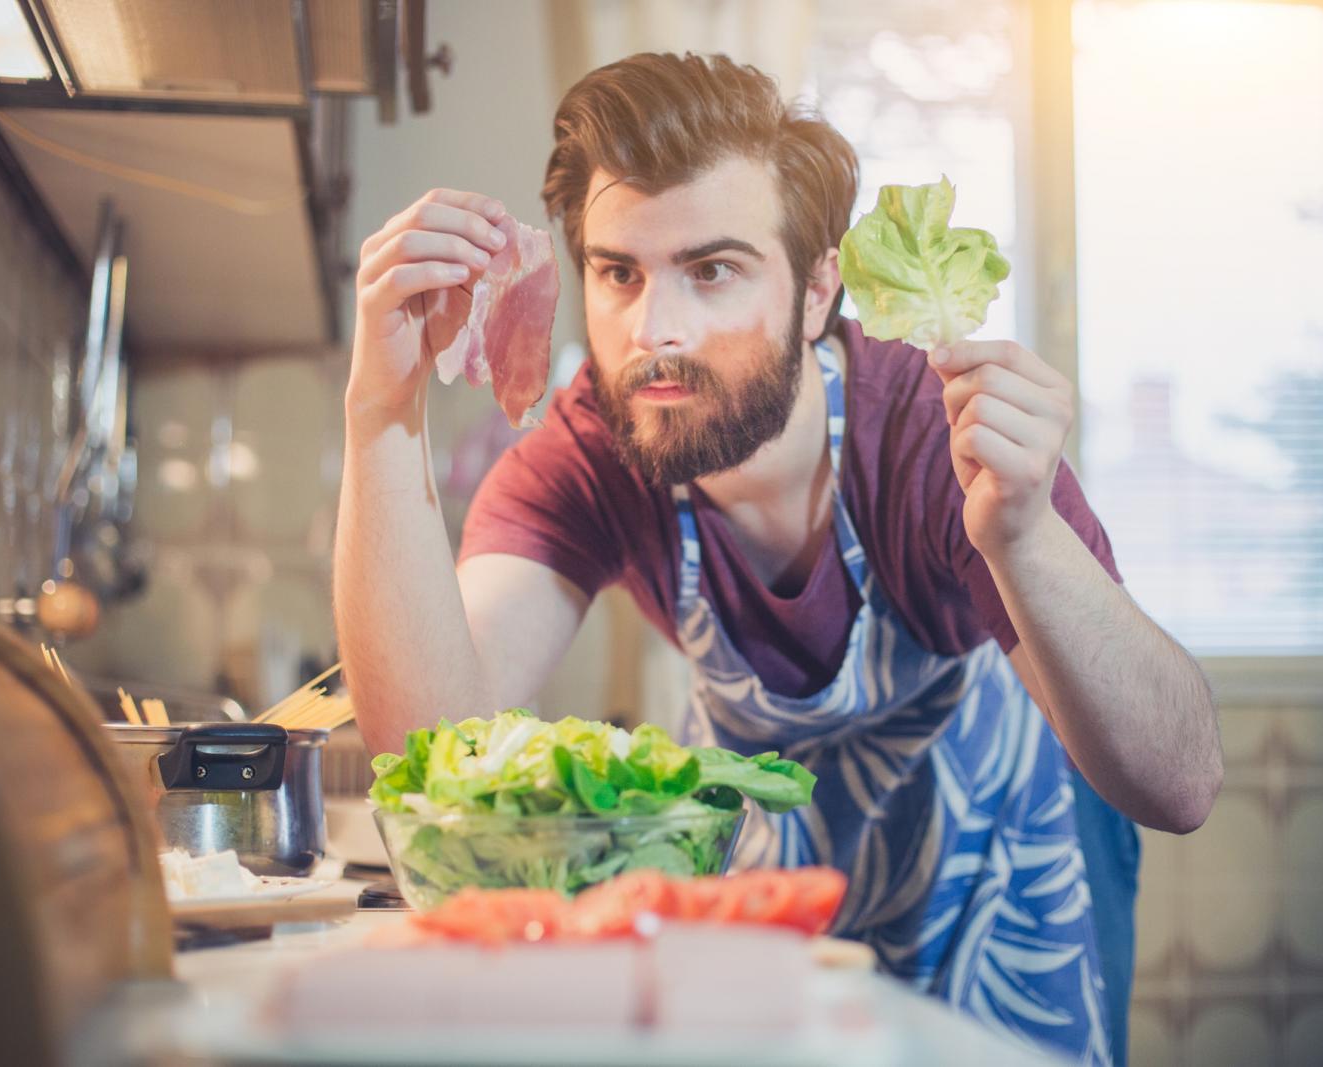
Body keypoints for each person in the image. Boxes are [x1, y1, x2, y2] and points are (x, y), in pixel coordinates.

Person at [335, 51, 1222, 1065]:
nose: (654, 333)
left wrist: (1021, 534)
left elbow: (1180, 781)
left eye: (711, 270)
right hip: (780, 884)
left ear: (815, 290)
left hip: (1002, 878)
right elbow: (435, 748)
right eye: (618, 273)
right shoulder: (595, 448)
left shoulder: (943, 440)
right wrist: (379, 413)